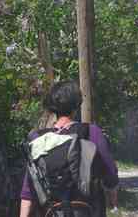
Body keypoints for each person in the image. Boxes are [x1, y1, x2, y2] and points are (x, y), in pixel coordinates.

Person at [20, 81, 120, 217]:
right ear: (76, 105)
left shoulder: (38, 139)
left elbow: (28, 190)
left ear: (53, 107)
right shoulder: (91, 132)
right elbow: (110, 173)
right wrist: (113, 202)